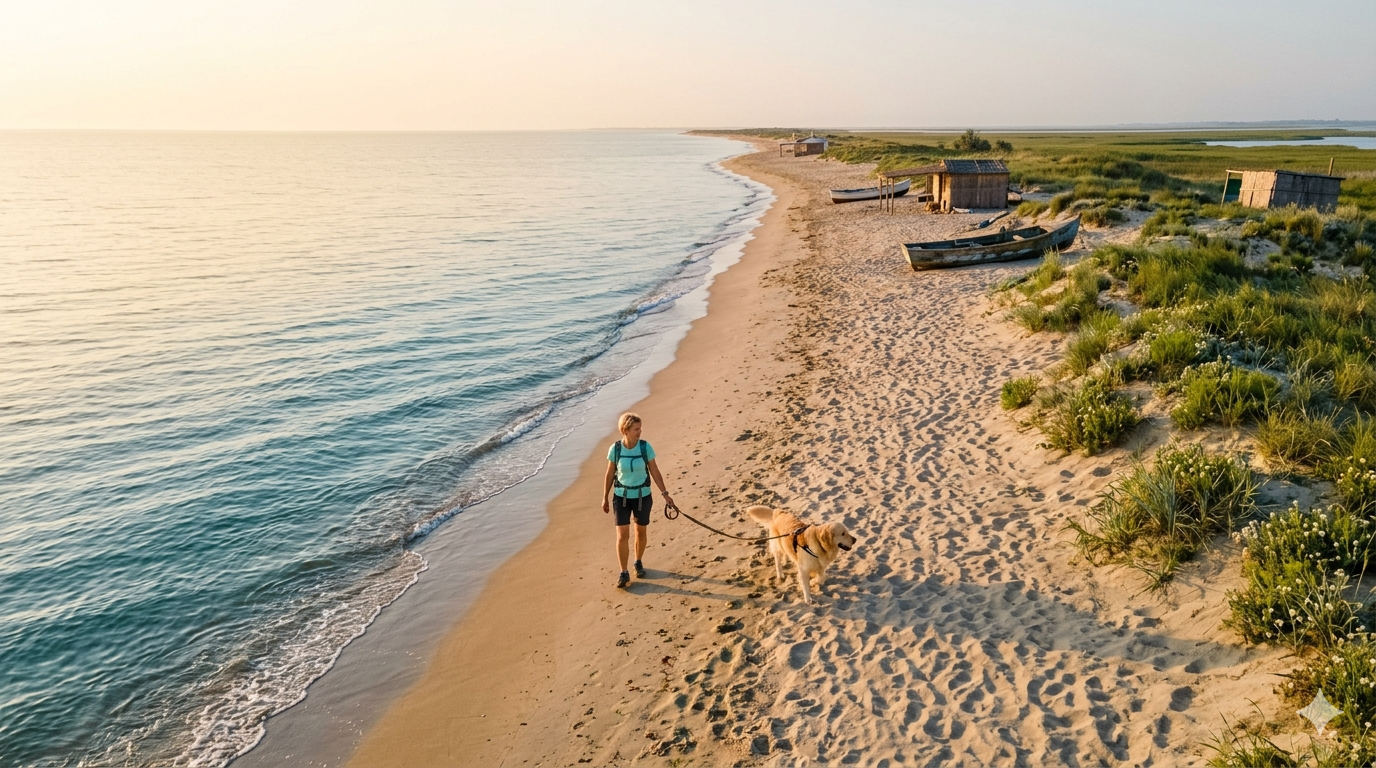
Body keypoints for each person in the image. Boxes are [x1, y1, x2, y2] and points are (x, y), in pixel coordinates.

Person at [601, 412, 673, 588]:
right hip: (621, 497)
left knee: (641, 532)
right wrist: (604, 497)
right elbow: (610, 474)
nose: (639, 432)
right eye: (636, 429)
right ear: (625, 430)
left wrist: (665, 493)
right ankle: (623, 572)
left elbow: (654, 471)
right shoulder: (615, 449)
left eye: (640, 428)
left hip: (643, 497)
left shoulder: (645, 447)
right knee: (622, 535)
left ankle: (638, 562)